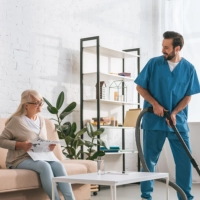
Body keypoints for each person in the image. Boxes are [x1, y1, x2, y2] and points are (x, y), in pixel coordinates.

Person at [134, 31, 200, 200]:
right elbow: (140, 87)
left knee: (185, 160)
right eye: (162, 46)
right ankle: (146, 196)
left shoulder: (189, 68)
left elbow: (188, 96)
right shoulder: (153, 64)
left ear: (177, 49)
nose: (162, 49)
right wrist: (155, 104)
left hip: (177, 122)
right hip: (153, 121)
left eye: (166, 47)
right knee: (149, 161)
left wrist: (176, 113)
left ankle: (185, 197)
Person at [0, 90, 75, 200]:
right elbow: (1, 141)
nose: (40, 105)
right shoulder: (16, 121)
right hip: (19, 159)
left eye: (41, 102)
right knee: (44, 166)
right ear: (26, 105)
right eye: (36, 103)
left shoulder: (41, 120)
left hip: (41, 156)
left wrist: (47, 146)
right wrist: (20, 145)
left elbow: (39, 141)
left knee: (58, 165)